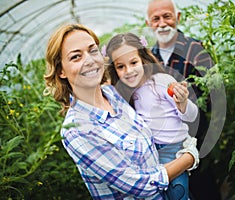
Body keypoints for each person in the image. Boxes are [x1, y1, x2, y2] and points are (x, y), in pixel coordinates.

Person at [43, 23, 199, 200]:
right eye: (76, 57)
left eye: (92, 50)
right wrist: (189, 158)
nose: (89, 60)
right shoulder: (77, 130)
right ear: (61, 70)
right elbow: (141, 186)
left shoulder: (113, 94)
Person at [105, 32, 199, 200]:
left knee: (178, 193)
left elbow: (192, 116)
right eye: (121, 66)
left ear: (143, 59)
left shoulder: (161, 82)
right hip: (152, 155)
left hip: (174, 150)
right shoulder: (126, 93)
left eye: (133, 62)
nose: (129, 71)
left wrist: (183, 103)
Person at [146, 0, 221, 199]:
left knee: (203, 185)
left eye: (167, 16)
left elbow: (212, 91)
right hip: (165, 140)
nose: (162, 23)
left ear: (177, 18)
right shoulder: (150, 57)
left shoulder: (195, 48)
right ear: (149, 23)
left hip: (195, 133)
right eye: (156, 18)